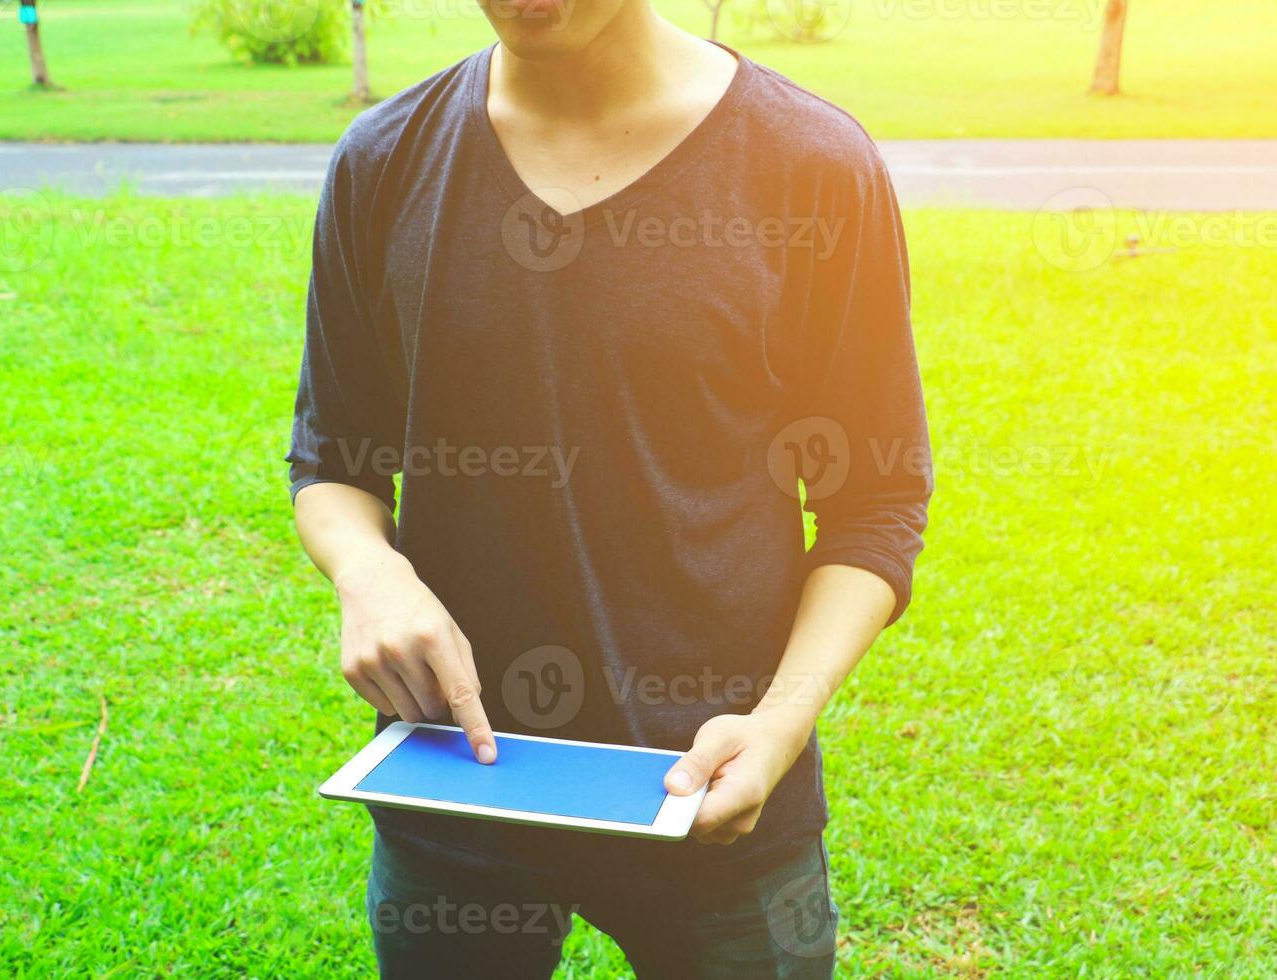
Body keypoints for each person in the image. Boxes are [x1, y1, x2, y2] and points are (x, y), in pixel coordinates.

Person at [287, 0, 932, 972]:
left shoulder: (811, 167)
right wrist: (365, 570)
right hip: (459, 789)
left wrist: (778, 720)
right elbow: (334, 460)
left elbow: (873, 506)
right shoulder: (383, 161)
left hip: (718, 792)